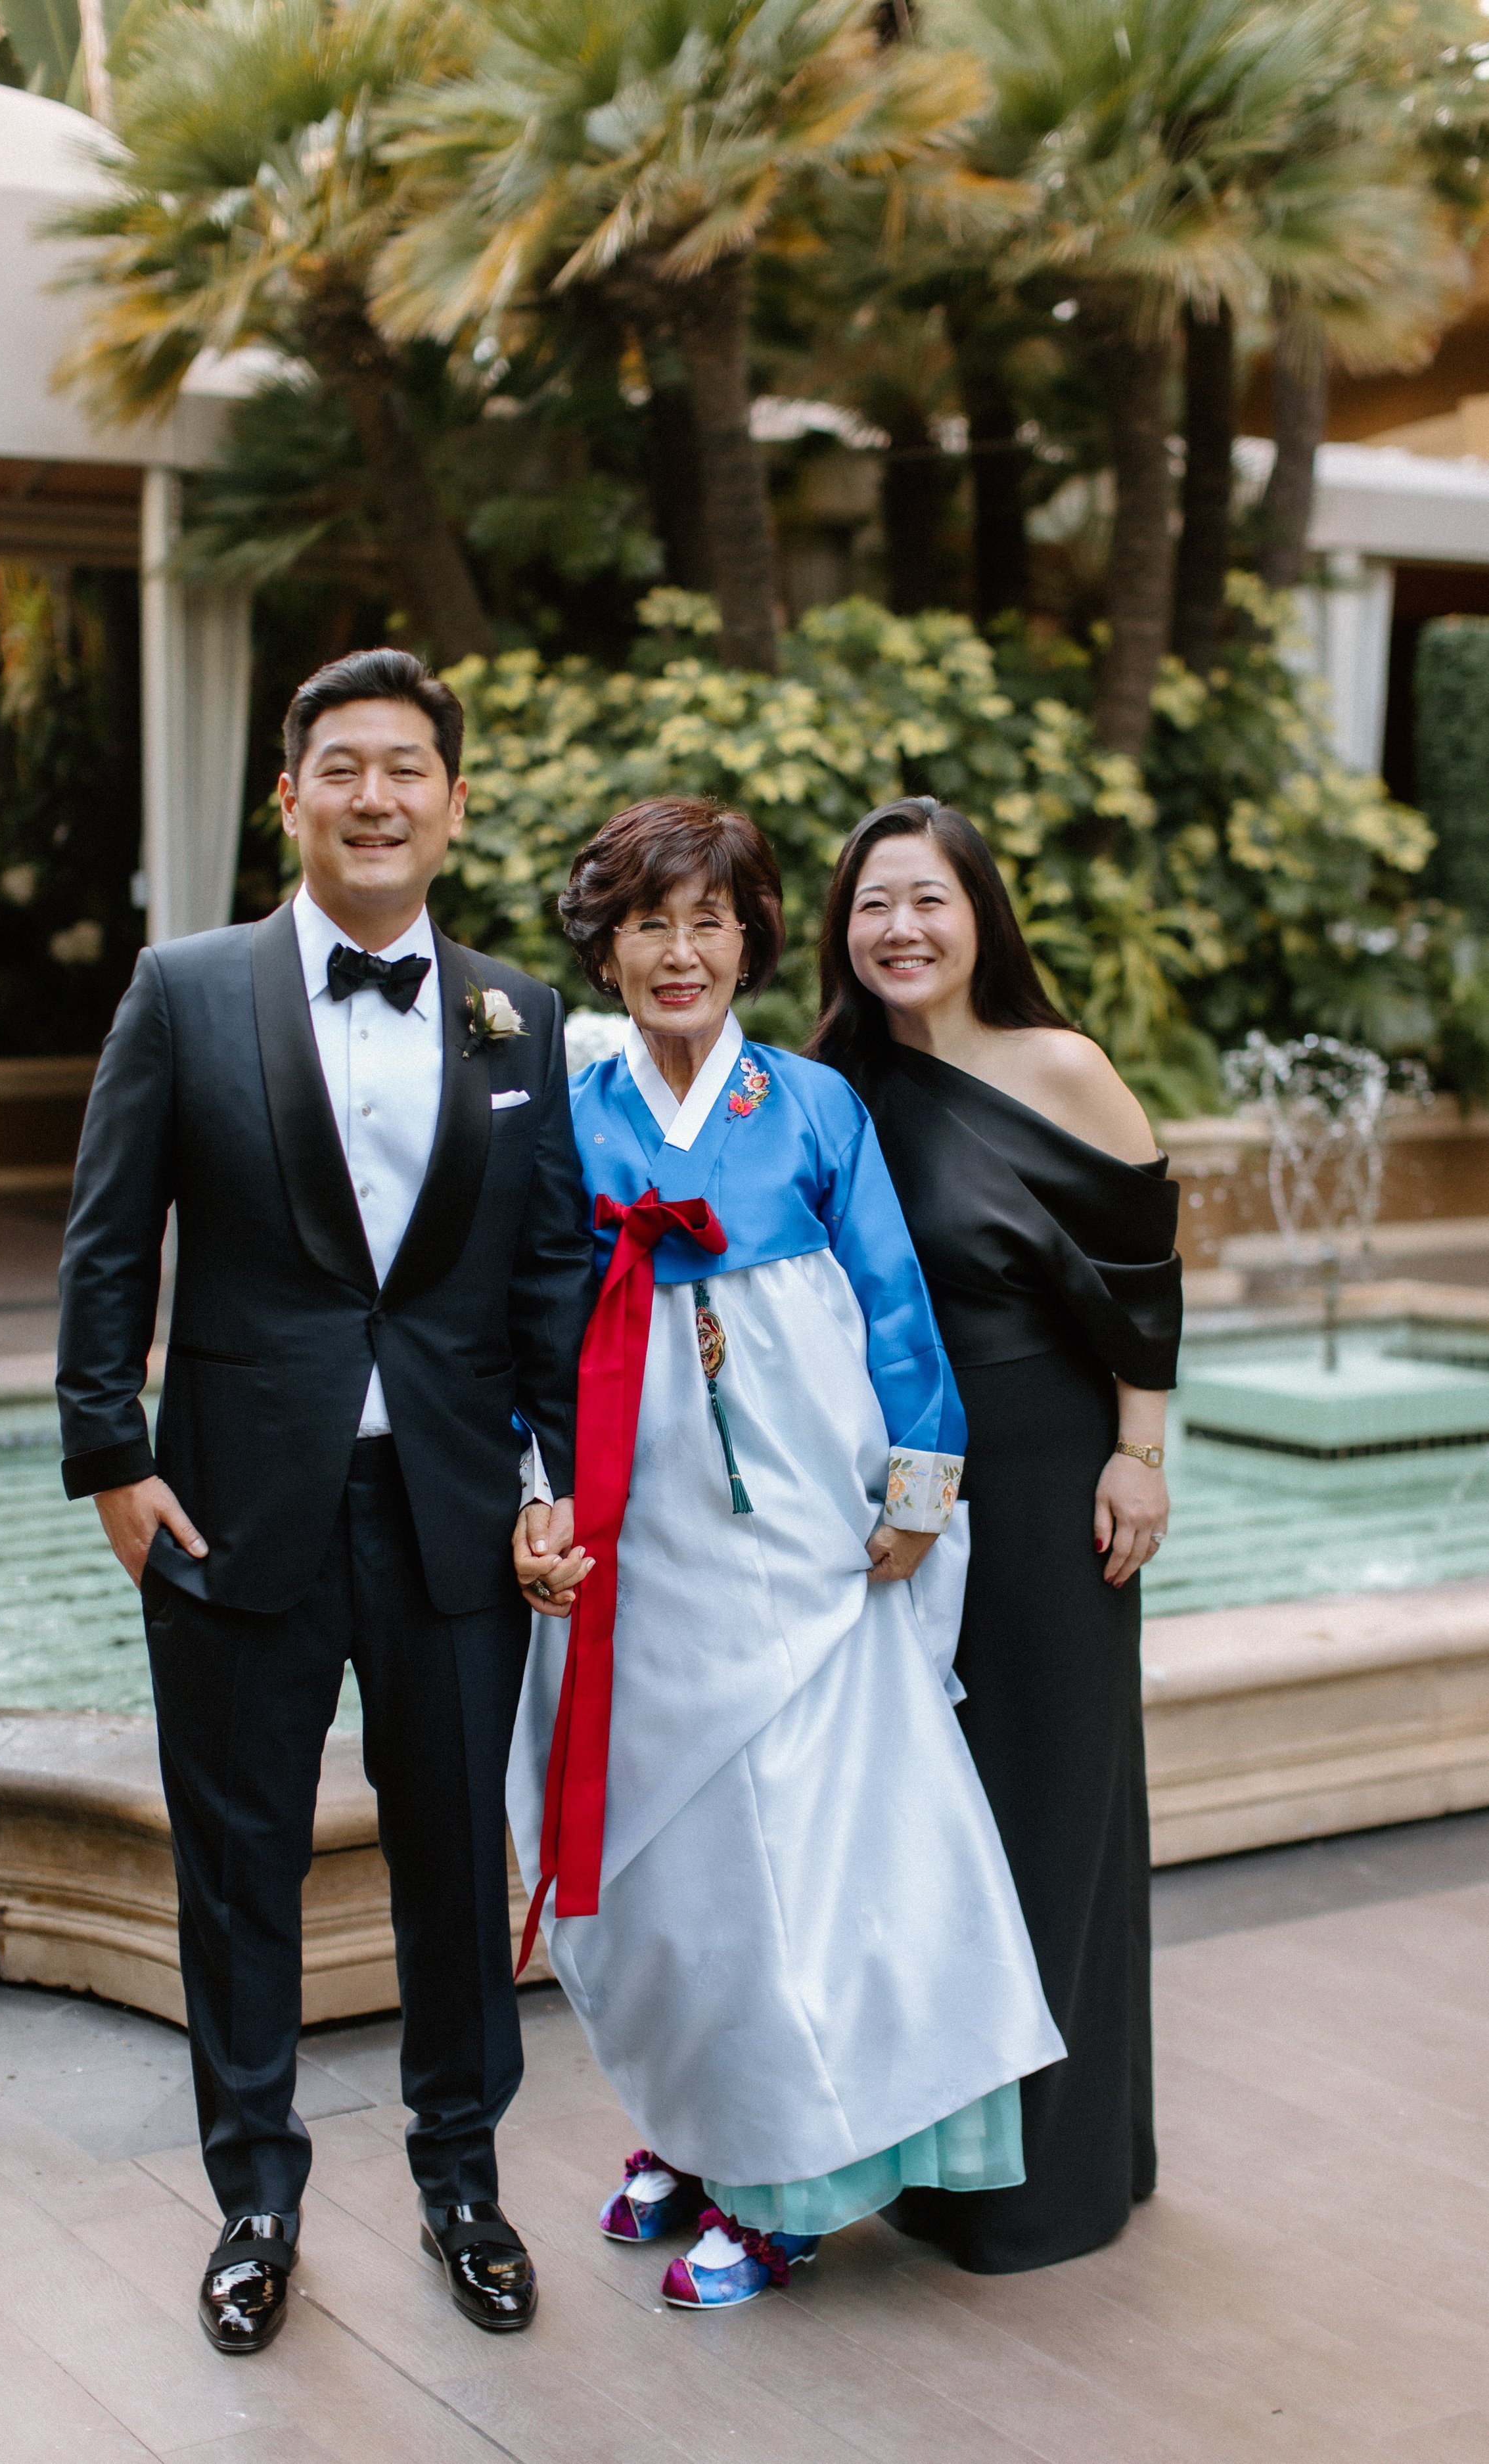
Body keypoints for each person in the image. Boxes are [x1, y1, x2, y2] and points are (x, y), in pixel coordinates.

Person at [57, 648, 594, 2352]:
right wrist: (111, 1458)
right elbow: (105, 1235)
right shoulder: (184, 987)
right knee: (242, 1861)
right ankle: (256, 2192)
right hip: (229, 1508)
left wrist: (553, 1480)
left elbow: (551, 1267)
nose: (376, 795)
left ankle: (461, 2177)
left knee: (453, 1852)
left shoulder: (521, 1013)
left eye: (407, 767)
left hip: (452, 1514)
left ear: (450, 798)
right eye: (341, 767)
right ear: (288, 797)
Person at [507, 796, 1063, 2313]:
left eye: (708, 920)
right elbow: (523, 1324)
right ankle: (696, 2132)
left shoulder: (816, 1107)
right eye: (645, 922)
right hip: (636, 1536)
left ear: (751, 937)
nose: (678, 953)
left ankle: (792, 2186)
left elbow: (891, 1303)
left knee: (807, 1866)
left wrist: (916, 1485)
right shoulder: (560, 1113)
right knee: (675, 1871)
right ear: (605, 946)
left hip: (810, 1541)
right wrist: (535, 1493)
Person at [808, 796, 1182, 2273]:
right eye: (870, 906)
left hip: (1040, 1484)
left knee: (1046, 1811)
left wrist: (1137, 1455)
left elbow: (1143, 1278)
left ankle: (1050, 2180)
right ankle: (929, 2159)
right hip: (886, 1506)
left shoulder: (1060, 1070)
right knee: (913, 1825)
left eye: (926, 900)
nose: (898, 929)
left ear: (978, 915)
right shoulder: (828, 1085)